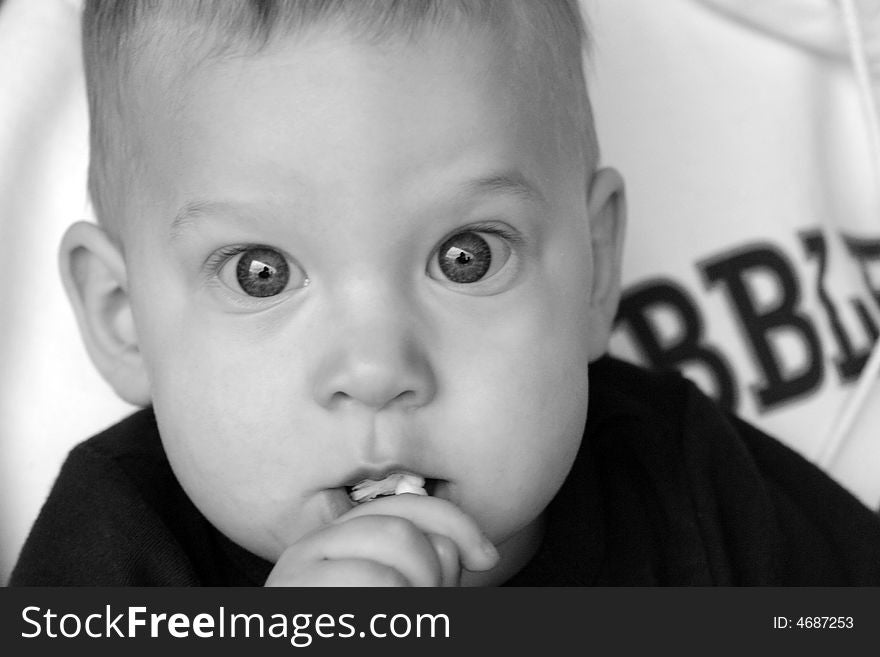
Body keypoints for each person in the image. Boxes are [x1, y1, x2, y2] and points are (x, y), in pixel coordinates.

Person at [10, 0, 880, 586]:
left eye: (466, 256)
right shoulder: (117, 551)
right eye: (260, 273)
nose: (378, 366)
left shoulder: (687, 483)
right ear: (124, 320)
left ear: (593, 266)